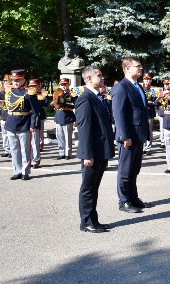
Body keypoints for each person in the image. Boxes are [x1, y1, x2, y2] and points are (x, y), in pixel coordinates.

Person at [0, 69, 40, 180]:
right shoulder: (8, 91)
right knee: (14, 149)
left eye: (18, 80)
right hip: (11, 122)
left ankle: (25, 172)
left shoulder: (29, 92)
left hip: (24, 123)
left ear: (23, 80)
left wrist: (33, 125)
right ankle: (17, 171)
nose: (15, 82)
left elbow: (36, 111)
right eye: (13, 80)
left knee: (25, 150)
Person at [76, 65, 115, 233]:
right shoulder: (86, 99)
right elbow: (84, 128)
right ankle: (86, 222)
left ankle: (93, 220)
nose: (102, 78)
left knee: (94, 188)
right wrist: (87, 154)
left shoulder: (98, 97)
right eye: (99, 75)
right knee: (88, 188)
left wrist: (105, 155)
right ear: (89, 79)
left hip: (100, 151)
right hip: (91, 152)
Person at [111, 57, 153, 213]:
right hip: (128, 137)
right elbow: (119, 115)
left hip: (138, 135)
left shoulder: (137, 86)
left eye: (141, 66)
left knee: (134, 169)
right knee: (125, 170)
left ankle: (133, 197)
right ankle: (124, 201)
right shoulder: (121, 87)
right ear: (127, 68)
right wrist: (124, 136)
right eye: (137, 66)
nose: (141, 68)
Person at [53, 78, 77, 160]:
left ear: (68, 85)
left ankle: (68, 153)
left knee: (67, 137)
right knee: (59, 136)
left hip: (67, 116)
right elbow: (53, 104)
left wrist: (64, 103)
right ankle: (61, 152)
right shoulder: (57, 93)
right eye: (62, 84)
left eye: (65, 84)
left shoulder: (71, 94)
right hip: (59, 116)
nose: (63, 86)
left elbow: (74, 105)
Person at [28, 78, 48, 168]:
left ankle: (35, 160)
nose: (33, 88)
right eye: (31, 86)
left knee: (35, 141)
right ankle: (28, 159)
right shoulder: (27, 94)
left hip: (36, 118)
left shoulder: (41, 95)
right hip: (26, 119)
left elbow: (44, 105)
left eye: (34, 86)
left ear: (39, 86)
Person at [141, 73, 158, 155]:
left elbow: (156, 101)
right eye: (145, 79)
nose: (147, 81)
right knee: (142, 129)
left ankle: (148, 147)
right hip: (142, 112)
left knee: (149, 130)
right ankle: (143, 146)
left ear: (151, 80)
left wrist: (150, 102)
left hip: (150, 112)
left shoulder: (153, 90)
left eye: (148, 79)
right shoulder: (140, 88)